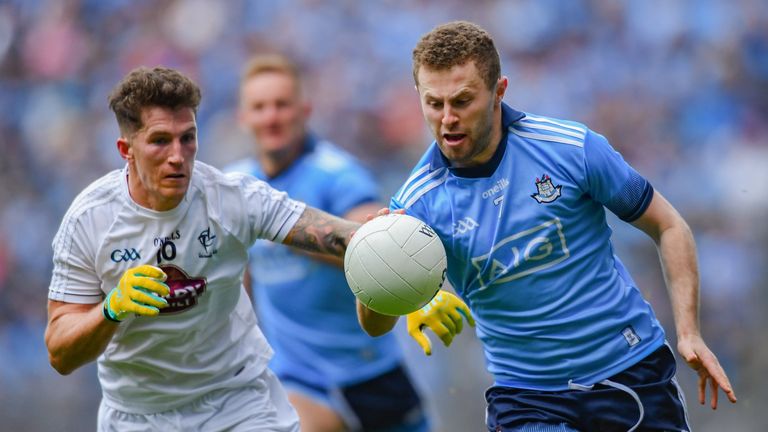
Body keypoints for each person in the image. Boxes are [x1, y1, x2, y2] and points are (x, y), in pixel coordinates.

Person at [359, 21, 738, 432]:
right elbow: (373, 325)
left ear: (499, 91)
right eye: (434, 104)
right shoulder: (416, 204)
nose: (448, 119)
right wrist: (378, 266)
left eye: (463, 101)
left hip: (630, 373)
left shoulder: (571, 149)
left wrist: (689, 332)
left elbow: (667, 225)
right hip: (527, 399)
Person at [44, 66, 362, 431]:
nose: (178, 156)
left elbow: (342, 236)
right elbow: (60, 353)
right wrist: (111, 309)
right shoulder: (90, 219)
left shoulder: (232, 197)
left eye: (188, 138)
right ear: (125, 150)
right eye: (161, 140)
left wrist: (403, 266)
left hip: (236, 402)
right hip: (136, 415)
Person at [224, 53, 432, 432]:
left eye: (282, 105)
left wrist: (295, 234)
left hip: (371, 371)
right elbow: (240, 279)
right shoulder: (236, 186)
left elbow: (379, 244)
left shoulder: (337, 174)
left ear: (305, 110)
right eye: (259, 107)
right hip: (297, 379)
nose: (271, 116)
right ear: (243, 116)